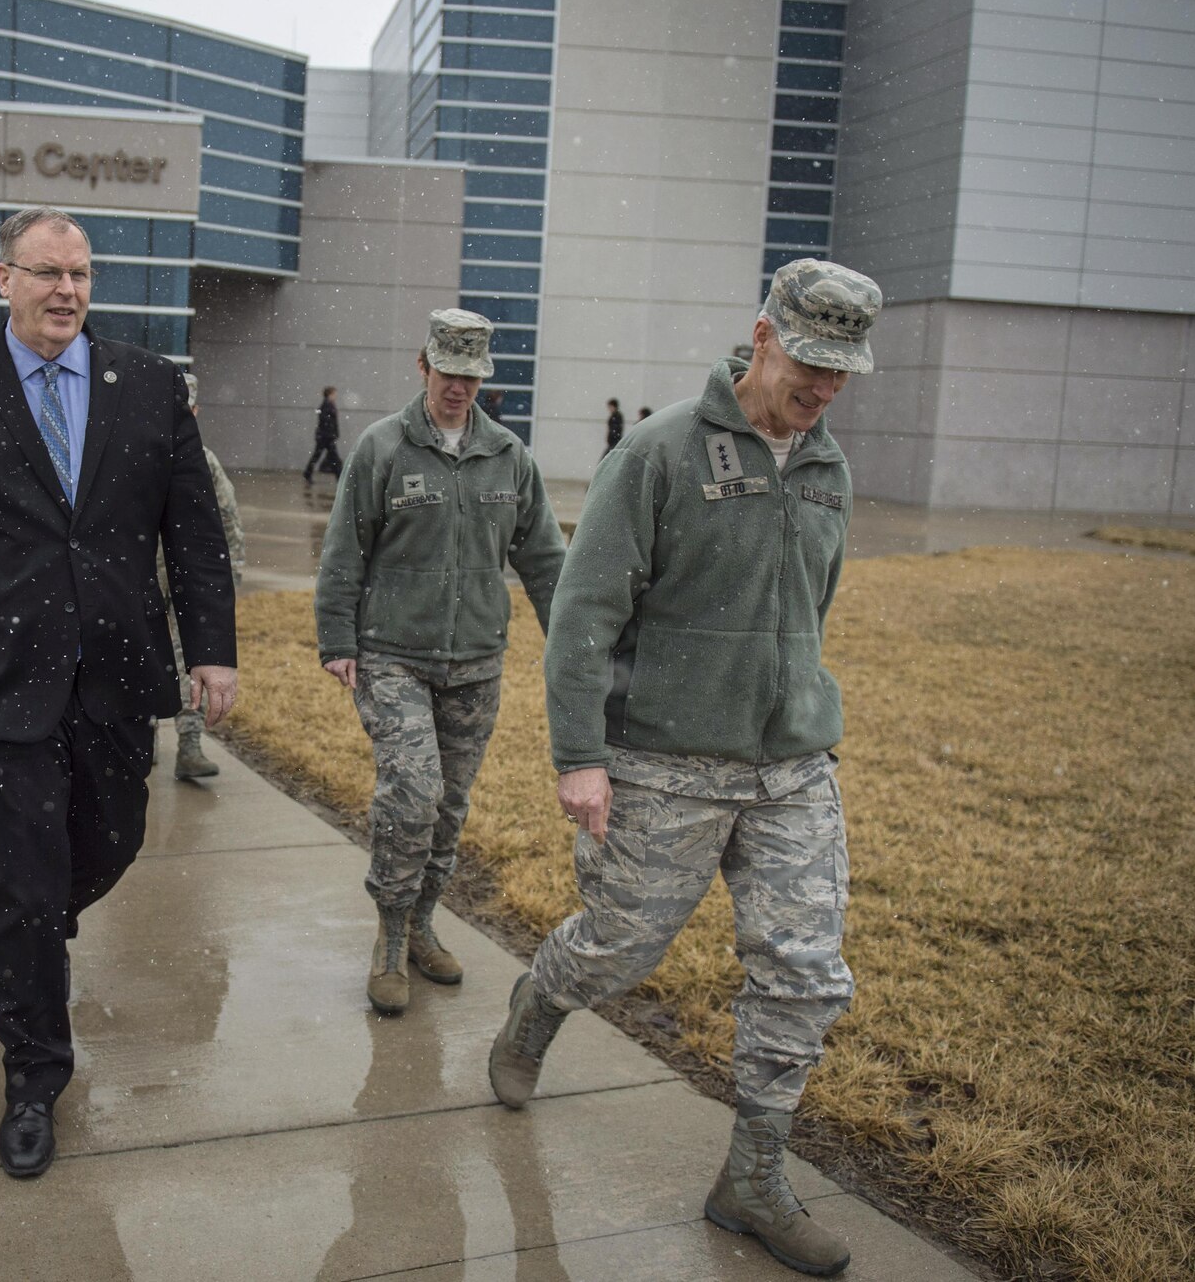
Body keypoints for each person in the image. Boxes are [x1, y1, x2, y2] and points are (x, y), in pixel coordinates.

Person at [487, 258, 882, 1278]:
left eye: (840, 371)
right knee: (619, 945)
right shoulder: (659, 452)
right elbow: (581, 615)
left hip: (790, 761)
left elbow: (809, 604)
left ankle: (751, 1174)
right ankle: (541, 999)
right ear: (761, 335)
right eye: (807, 363)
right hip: (662, 758)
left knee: (802, 970)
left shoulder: (827, 466)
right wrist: (579, 755)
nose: (822, 387)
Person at [0, 207, 237, 1179]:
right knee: (15, 883)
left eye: (79, 273)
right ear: (3, 279)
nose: (66, 290)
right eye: (46, 272)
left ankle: (32, 915)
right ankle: (33, 1073)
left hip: (114, 671)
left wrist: (213, 649)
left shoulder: (149, 385)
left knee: (111, 839)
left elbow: (191, 531)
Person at [315, 309, 566, 1015]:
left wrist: (575, 645)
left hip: (476, 663)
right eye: (449, 373)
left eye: (472, 377)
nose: (459, 388)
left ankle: (425, 921)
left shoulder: (508, 456)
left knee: (450, 807)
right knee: (412, 793)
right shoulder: (382, 448)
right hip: (394, 654)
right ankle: (390, 935)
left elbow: (545, 559)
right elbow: (345, 551)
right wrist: (337, 640)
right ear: (423, 366)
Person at [153, 370, 244, 780]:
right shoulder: (135, 454)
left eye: (187, 410)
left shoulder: (203, 463)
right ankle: (145, 734)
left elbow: (225, 528)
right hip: (141, 586)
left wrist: (227, 586)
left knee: (190, 662)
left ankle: (189, 745)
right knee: (139, 662)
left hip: (184, 588)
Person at [303, 385, 341, 481]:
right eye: (334, 393)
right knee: (333, 457)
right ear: (329, 394)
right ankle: (339, 476)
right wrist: (332, 433)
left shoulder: (328, 404)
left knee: (323, 456)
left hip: (326, 436)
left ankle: (308, 473)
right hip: (326, 436)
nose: (336, 396)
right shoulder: (326, 405)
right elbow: (326, 421)